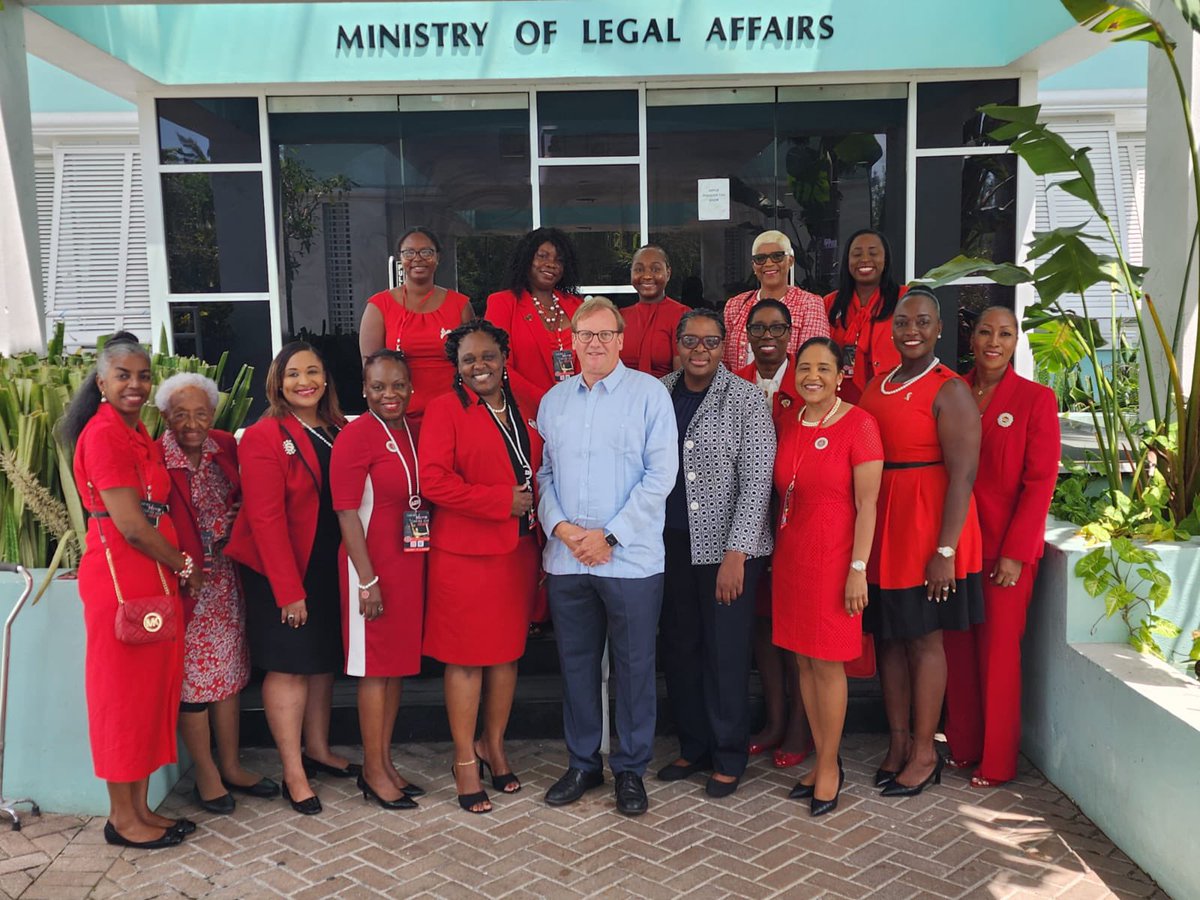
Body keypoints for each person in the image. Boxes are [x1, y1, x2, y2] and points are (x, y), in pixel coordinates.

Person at [537, 296, 678, 816]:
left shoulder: (648, 397)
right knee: (576, 667)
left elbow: (660, 476)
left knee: (634, 667)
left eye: (604, 335)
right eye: (585, 335)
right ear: (572, 341)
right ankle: (582, 763)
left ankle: (630, 770)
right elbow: (544, 474)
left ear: (621, 341)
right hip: (568, 559)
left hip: (632, 561)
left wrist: (610, 537)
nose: (594, 343)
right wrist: (563, 528)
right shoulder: (554, 401)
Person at [59, 334, 201, 849]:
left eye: (143, 375)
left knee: (145, 698)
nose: (136, 384)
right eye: (123, 375)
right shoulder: (102, 436)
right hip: (123, 577)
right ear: (101, 383)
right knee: (122, 700)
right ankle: (123, 820)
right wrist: (185, 564)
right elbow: (132, 526)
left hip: (149, 577)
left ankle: (139, 809)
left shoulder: (136, 431)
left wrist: (175, 568)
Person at [857, 289, 985, 797]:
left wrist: (946, 550)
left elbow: (963, 475)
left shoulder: (948, 389)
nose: (912, 329)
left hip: (927, 528)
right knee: (889, 637)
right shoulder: (880, 383)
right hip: (884, 523)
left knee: (924, 639)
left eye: (923, 321)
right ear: (893, 329)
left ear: (938, 330)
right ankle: (898, 741)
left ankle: (927, 751)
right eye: (904, 321)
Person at [419, 320, 545, 814]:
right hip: (466, 556)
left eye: (488, 356)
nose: (479, 366)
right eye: (469, 359)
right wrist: (499, 501)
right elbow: (434, 481)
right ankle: (463, 760)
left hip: (518, 552)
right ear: (457, 366)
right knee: (466, 659)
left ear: (504, 356)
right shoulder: (444, 410)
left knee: (506, 655)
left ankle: (493, 745)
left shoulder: (524, 406)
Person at [225, 342, 352, 816]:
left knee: (320, 662)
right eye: (293, 373)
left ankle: (318, 750)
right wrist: (288, 591)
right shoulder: (264, 435)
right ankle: (293, 772)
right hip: (282, 569)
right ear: (278, 383)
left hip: (324, 563)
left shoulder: (336, 429)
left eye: (313, 371)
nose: (305, 381)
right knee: (290, 666)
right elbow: (265, 519)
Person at [656, 309, 775, 797]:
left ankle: (729, 752)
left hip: (727, 550)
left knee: (725, 653)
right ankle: (695, 745)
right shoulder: (657, 393)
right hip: (668, 544)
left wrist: (737, 554)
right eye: (690, 340)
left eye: (709, 341)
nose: (699, 349)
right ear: (677, 344)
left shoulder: (745, 398)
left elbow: (757, 480)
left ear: (725, 345)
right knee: (681, 649)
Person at [942, 306, 1060, 787]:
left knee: (998, 656)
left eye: (1005, 334)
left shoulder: (1035, 399)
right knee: (958, 650)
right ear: (971, 338)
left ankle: (997, 761)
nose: (994, 341)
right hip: (955, 546)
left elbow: (1040, 483)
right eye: (986, 332)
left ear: (1016, 343)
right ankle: (964, 745)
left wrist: (1015, 551)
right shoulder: (953, 389)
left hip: (1003, 552)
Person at [156, 373, 277, 816]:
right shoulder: (156, 459)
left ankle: (231, 765)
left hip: (225, 580)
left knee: (228, 676)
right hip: (185, 583)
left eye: (201, 413)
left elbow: (252, 490)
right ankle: (206, 773)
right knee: (193, 684)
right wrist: (181, 565)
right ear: (165, 416)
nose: (191, 423)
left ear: (214, 414)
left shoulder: (225, 445)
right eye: (180, 414)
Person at [773, 338, 883, 816]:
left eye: (823, 368)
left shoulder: (860, 425)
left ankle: (831, 765)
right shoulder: (789, 422)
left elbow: (867, 506)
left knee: (829, 663)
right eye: (804, 368)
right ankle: (820, 760)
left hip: (836, 562)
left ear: (841, 375)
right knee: (804, 663)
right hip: (793, 559)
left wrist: (858, 569)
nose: (811, 376)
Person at [330, 350, 428, 811]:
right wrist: (366, 579)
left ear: (411, 387)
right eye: (378, 387)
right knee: (373, 671)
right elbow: (347, 512)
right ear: (364, 390)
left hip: (408, 565)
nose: (389, 394)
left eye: (398, 385)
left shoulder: (411, 429)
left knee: (394, 670)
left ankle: (385, 763)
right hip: (369, 568)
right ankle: (371, 770)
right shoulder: (355, 436)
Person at [734, 298, 810, 768]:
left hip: (798, 520)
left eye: (776, 328)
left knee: (799, 627)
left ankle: (801, 725)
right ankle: (776, 719)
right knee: (762, 624)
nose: (767, 336)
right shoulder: (735, 382)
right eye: (758, 328)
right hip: (746, 524)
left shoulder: (810, 378)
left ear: (790, 334)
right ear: (746, 334)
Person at [358, 227, 475, 425]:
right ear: (400, 259)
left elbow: (473, 364)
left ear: (437, 257)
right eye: (409, 252)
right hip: (398, 417)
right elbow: (371, 370)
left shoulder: (460, 305)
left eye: (426, 252)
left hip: (453, 414)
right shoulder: (379, 306)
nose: (417, 258)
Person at [485, 227, 584, 400]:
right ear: (526, 258)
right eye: (542, 256)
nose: (551, 264)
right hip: (524, 407)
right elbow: (498, 366)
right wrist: (545, 401)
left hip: (576, 409)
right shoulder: (503, 303)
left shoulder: (576, 305)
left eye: (559, 260)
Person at [722, 230, 828, 372]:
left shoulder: (809, 304)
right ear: (754, 266)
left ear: (790, 261)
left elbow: (814, 361)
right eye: (761, 259)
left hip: (789, 392)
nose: (769, 263)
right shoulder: (736, 305)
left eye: (777, 256)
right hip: (740, 392)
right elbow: (725, 363)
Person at [824, 229, 906, 404]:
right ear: (847, 261)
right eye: (857, 254)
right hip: (841, 401)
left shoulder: (905, 299)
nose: (865, 259)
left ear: (886, 259)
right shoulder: (830, 303)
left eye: (873, 253)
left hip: (892, 396)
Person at [620, 245, 687, 377]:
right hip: (624, 395)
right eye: (639, 269)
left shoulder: (682, 315)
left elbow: (682, 377)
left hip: (666, 394)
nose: (647, 276)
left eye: (656, 269)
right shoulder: (620, 316)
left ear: (668, 273)